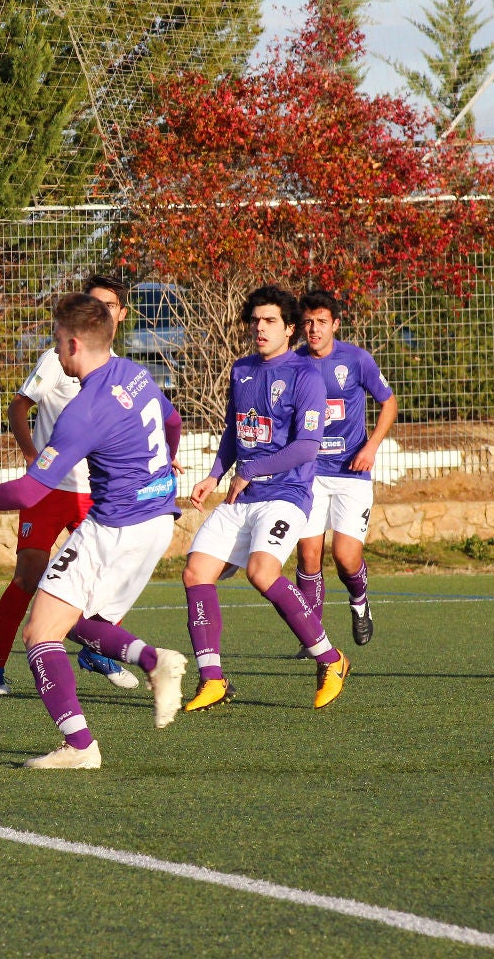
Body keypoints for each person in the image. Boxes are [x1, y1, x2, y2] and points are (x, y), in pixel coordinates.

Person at [0, 293, 188, 769]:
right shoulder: (135, 374)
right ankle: (155, 662)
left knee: (40, 633)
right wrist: (167, 463)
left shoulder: (83, 410)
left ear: (73, 344)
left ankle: (79, 746)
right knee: (72, 619)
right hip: (157, 520)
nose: (53, 351)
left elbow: (29, 493)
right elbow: (172, 422)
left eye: (55, 342)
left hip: (116, 526)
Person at [180, 286, 350, 714]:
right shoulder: (241, 371)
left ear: (290, 328)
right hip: (242, 494)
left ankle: (331, 660)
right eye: (255, 320)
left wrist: (249, 471)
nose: (260, 327)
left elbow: (307, 447)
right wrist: (214, 475)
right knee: (195, 572)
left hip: (286, 495)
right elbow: (233, 435)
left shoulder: (306, 375)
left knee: (261, 571)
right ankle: (212, 679)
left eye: (270, 320)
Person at [0, 275, 138, 697]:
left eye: (109, 305)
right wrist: (32, 456)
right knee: (28, 577)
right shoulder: (57, 359)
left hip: (95, 492)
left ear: (120, 314)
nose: (100, 311)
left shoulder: (120, 369)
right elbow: (18, 407)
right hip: (48, 491)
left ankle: (96, 651)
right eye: (94, 303)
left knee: (108, 577)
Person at [293, 290, 397, 648]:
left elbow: (389, 403)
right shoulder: (293, 364)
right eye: (308, 322)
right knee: (308, 556)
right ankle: (313, 636)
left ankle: (360, 603)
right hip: (309, 473)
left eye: (321, 321)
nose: (314, 329)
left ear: (335, 324)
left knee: (345, 557)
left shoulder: (356, 360)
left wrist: (371, 447)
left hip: (352, 473)